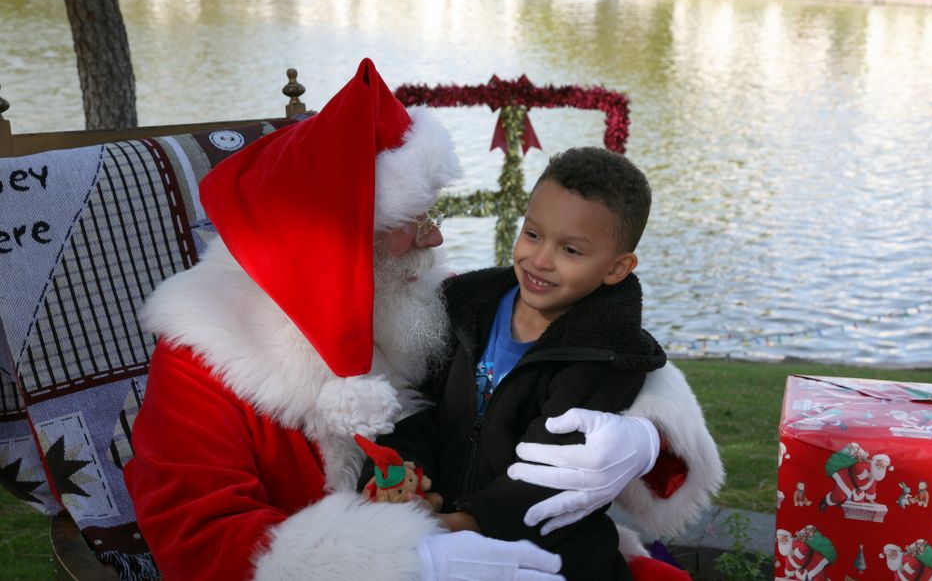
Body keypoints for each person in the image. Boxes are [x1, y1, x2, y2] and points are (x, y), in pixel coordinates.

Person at [124, 58, 722, 580]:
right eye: (417, 219)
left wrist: (647, 437)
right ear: (348, 242)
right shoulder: (202, 357)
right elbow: (195, 539)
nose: (436, 236)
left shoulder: (428, 300)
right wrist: (395, 562)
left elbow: (579, 347)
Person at [360, 147, 696, 581]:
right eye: (533, 234)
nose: (540, 260)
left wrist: (461, 525)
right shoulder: (464, 309)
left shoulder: (604, 356)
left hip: (548, 556)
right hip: (438, 531)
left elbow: (554, 478)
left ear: (617, 268)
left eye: (571, 250)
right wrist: (404, 473)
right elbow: (421, 408)